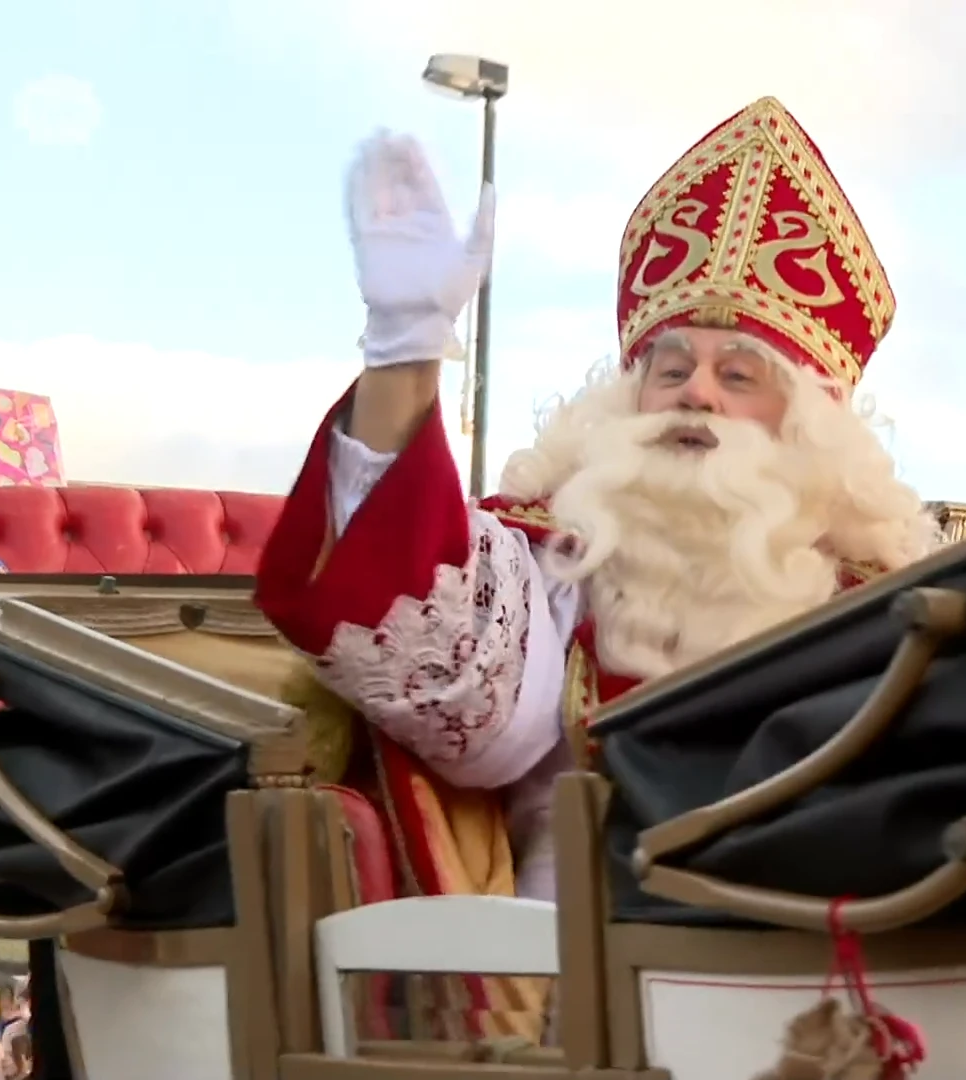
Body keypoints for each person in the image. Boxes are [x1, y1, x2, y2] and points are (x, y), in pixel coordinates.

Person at [254, 97, 931, 1036]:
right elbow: (452, 695)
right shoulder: (556, 559)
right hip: (561, 1000)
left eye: (740, 374)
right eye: (669, 365)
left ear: (813, 427)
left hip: (813, 997)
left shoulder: (889, 605)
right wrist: (406, 352)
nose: (695, 389)